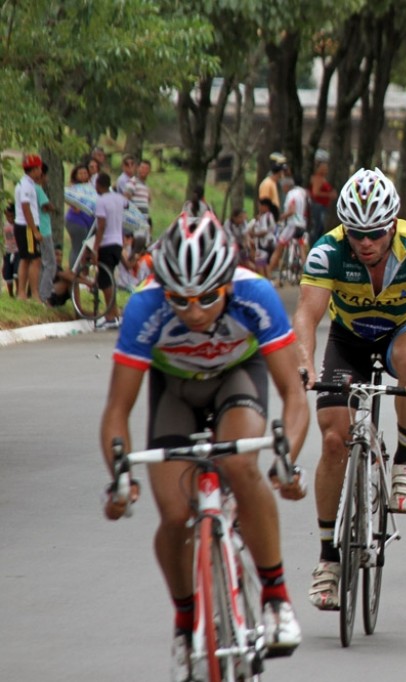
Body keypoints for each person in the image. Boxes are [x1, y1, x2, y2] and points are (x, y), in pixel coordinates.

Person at [99, 213, 309, 679]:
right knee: (174, 515)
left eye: (208, 298)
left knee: (239, 462)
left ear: (228, 285)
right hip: (173, 388)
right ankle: (184, 621)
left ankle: (276, 600)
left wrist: (287, 460)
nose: (194, 312)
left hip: (237, 377)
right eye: (180, 300)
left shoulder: (256, 294)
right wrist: (120, 477)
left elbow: (294, 394)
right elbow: (117, 409)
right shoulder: (144, 306)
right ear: (163, 288)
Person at [292, 168, 406, 611]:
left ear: (393, 224)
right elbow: (307, 316)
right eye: (357, 233)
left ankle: (405, 457)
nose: (365, 243)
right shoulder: (328, 251)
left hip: (403, 331)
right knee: (333, 438)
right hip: (349, 340)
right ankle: (327, 558)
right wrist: (304, 363)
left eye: (376, 233)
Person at [93, 172, 126, 329]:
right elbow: (126, 203)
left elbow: (101, 226)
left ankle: (110, 315)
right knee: (110, 278)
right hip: (118, 243)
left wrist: (95, 247)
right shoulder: (119, 199)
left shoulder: (101, 201)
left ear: (99, 185)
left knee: (105, 280)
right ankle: (115, 311)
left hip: (106, 243)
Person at [14, 154, 43, 301]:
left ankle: (21, 293)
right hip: (27, 227)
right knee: (35, 260)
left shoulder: (28, 183)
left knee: (25, 259)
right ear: (36, 169)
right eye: (40, 168)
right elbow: (26, 208)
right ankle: (34, 294)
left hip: (25, 225)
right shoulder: (26, 185)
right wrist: (35, 230)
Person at [268, 175, 308, 278]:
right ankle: (307, 274)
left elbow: (291, 210)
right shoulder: (301, 193)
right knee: (302, 249)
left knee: (279, 247)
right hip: (302, 224)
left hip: (292, 225)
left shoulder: (291, 194)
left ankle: (268, 273)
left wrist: (281, 217)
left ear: (286, 186)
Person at [35, 163, 57, 303]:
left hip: (40, 230)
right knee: (50, 263)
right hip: (44, 230)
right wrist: (53, 207)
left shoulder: (32, 189)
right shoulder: (38, 189)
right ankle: (44, 295)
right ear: (42, 175)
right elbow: (46, 206)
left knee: (43, 263)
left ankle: (39, 293)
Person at [66, 164, 94, 269]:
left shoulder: (91, 188)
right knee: (78, 248)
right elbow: (76, 207)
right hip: (77, 221)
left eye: (85, 173)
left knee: (87, 250)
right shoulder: (73, 188)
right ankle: (74, 272)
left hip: (90, 222)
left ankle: (83, 272)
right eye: (80, 173)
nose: (83, 175)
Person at [308, 160, 336, 244]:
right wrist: (328, 194)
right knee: (318, 227)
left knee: (321, 227)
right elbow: (315, 193)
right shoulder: (317, 178)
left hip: (323, 206)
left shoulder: (324, 179)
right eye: (324, 168)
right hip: (318, 206)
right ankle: (313, 244)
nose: (326, 170)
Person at [251, 198, 278, 278]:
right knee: (265, 265)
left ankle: (264, 282)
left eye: (260, 206)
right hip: (270, 243)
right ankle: (269, 282)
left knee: (260, 264)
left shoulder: (265, 216)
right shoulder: (270, 216)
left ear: (265, 207)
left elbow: (264, 231)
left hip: (264, 244)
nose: (259, 208)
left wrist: (254, 234)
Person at [126, 160, 153, 239]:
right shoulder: (133, 182)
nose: (143, 170)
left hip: (143, 223)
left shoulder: (145, 187)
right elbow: (126, 198)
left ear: (149, 171)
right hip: (134, 222)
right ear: (138, 168)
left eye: (146, 168)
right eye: (142, 167)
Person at [2, 204, 18, 297]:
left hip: (17, 251)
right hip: (7, 252)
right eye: (8, 216)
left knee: (16, 272)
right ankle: (11, 294)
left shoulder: (17, 225)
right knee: (7, 273)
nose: (10, 218)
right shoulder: (4, 226)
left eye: (12, 216)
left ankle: (19, 291)